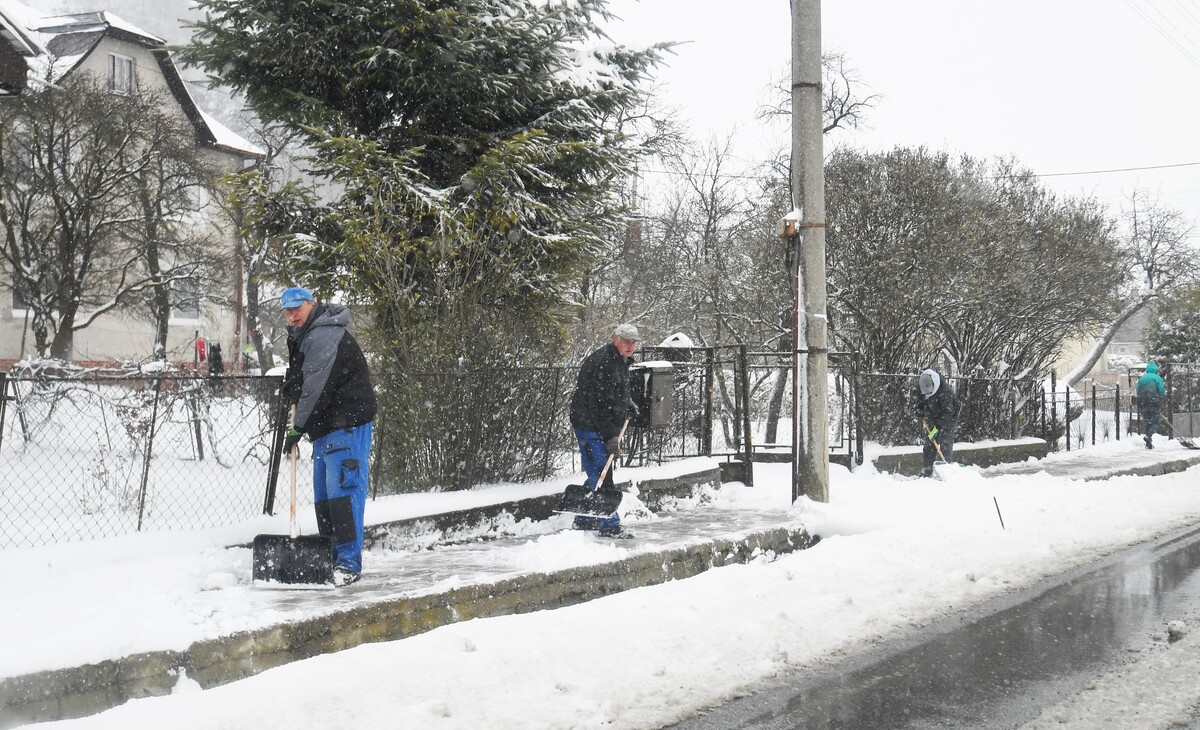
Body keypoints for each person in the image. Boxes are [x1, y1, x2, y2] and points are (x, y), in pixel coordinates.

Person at [280, 286, 377, 586]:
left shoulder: (323, 334)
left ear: (313, 304)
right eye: (287, 310)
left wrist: (298, 426)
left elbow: (317, 388)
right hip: (327, 426)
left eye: (298, 307)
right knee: (325, 498)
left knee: (342, 496)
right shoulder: (306, 334)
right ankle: (332, 557)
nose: (292, 314)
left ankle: (348, 564)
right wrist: (292, 384)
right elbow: (306, 379)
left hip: (346, 423)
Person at [568, 322, 642, 536]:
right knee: (602, 472)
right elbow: (599, 403)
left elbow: (615, 392)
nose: (630, 346)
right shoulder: (603, 362)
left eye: (633, 342)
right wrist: (611, 436)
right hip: (589, 424)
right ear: (615, 339)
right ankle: (609, 525)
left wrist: (627, 403)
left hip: (600, 423)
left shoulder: (620, 361)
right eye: (626, 341)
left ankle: (584, 519)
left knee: (598, 472)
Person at [913, 368, 959, 477]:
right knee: (930, 442)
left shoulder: (945, 393)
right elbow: (921, 401)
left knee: (944, 444)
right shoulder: (923, 387)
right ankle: (927, 469)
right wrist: (919, 409)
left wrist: (938, 427)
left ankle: (946, 469)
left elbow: (948, 413)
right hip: (933, 417)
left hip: (949, 418)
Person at [1136, 361, 1166, 449]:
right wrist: (1159, 397)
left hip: (1143, 401)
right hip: (1154, 401)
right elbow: (1161, 390)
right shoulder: (1157, 378)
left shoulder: (1142, 378)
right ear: (1156, 370)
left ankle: (1148, 438)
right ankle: (1149, 436)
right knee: (1155, 420)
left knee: (1147, 420)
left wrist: (1141, 398)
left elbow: (1138, 389)